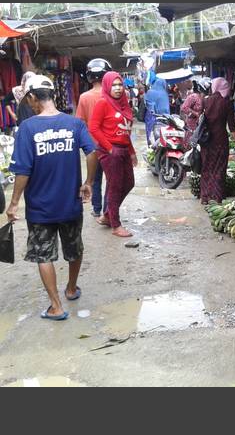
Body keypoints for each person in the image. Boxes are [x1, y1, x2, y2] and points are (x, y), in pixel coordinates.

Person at [6, 75, 97, 321]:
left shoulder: (27, 128)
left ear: (33, 97)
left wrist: (14, 203)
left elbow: (23, 170)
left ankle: (56, 306)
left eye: (29, 100)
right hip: (70, 204)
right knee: (74, 248)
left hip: (40, 208)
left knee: (44, 255)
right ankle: (71, 288)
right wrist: (88, 183)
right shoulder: (74, 124)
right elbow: (92, 152)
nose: (30, 105)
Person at [89, 72, 137, 238]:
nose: (117, 88)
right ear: (107, 86)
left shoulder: (125, 104)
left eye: (120, 85)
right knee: (115, 186)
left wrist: (132, 152)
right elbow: (93, 127)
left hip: (123, 149)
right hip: (109, 151)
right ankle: (115, 224)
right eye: (114, 85)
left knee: (129, 183)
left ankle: (108, 214)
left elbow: (126, 131)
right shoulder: (102, 103)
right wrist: (110, 148)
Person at [76, 58, 112, 219]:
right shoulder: (113, 96)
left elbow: (80, 123)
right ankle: (108, 211)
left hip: (92, 147)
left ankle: (97, 209)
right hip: (111, 146)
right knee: (111, 181)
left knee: (95, 180)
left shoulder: (84, 97)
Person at [200, 78, 235, 204]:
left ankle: (205, 197)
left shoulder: (206, 101)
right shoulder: (227, 103)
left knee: (206, 167)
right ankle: (217, 196)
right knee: (219, 169)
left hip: (206, 141)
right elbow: (232, 127)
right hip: (220, 140)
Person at [181, 77, 210, 145]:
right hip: (192, 126)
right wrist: (196, 113)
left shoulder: (207, 97)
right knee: (191, 144)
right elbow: (184, 108)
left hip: (201, 125)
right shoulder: (193, 97)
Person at [144, 78, 170, 146]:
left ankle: (151, 148)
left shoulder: (150, 92)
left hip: (152, 117)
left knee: (151, 135)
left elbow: (149, 106)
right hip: (165, 118)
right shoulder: (165, 93)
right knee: (162, 136)